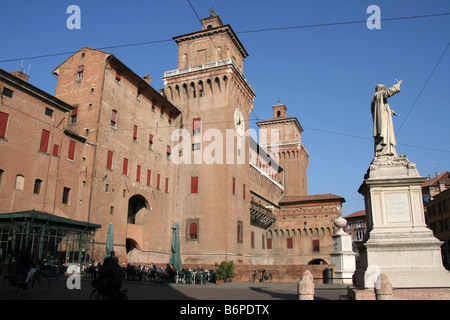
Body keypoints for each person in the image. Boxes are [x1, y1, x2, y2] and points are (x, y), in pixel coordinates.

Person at [371, 79, 402, 157]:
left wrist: (390, 112)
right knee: (385, 134)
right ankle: (386, 151)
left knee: (386, 135)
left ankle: (387, 150)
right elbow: (388, 92)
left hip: (382, 120)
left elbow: (381, 109)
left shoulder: (376, 98)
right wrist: (397, 85)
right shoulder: (379, 94)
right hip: (383, 122)